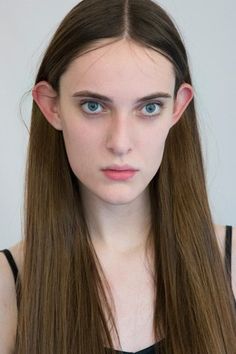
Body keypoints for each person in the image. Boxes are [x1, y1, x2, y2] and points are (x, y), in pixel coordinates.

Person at [0, 0, 235, 353]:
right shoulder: (7, 286)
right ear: (51, 106)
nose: (120, 142)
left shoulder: (231, 264)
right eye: (94, 106)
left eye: (149, 107)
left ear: (178, 107)